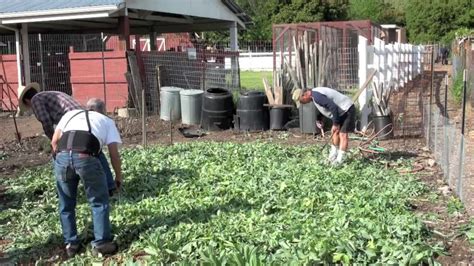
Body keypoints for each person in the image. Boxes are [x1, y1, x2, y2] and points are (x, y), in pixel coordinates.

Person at [51, 98, 122, 258]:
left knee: (66, 203)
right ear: (103, 111)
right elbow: (113, 154)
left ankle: (71, 243)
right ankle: (102, 243)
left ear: (86, 108)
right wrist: (118, 177)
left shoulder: (69, 115)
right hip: (86, 157)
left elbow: (54, 141)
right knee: (98, 201)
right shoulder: (106, 121)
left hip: (62, 156)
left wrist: (62, 163)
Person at [19, 83, 117, 195]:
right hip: (83, 116)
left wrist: (54, 140)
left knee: (59, 154)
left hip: (71, 120)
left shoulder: (35, 100)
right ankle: (110, 185)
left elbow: (45, 121)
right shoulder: (50, 94)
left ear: (27, 100)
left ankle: (65, 189)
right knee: (93, 149)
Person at [294, 87, 356, 165]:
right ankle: (332, 157)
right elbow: (325, 107)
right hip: (340, 111)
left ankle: (340, 160)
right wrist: (320, 118)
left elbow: (333, 107)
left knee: (342, 134)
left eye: (301, 101)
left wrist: (335, 123)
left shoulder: (317, 96)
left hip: (347, 109)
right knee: (335, 132)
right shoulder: (314, 96)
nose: (303, 103)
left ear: (304, 95)